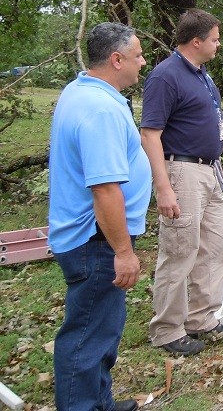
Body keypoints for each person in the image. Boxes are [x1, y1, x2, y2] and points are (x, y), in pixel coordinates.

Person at [48, 22, 151, 411]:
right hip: (97, 241)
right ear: (116, 59)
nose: (143, 62)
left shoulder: (80, 91)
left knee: (102, 326)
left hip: (94, 238)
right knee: (88, 334)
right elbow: (104, 188)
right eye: (138, 55)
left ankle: (98, 401)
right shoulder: (100, 109)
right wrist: (122, 251)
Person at [141, 8, 223, 356]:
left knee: (214, 248)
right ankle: (167, 330)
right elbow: (150, 135)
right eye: (214, 39)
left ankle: (203, 319)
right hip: (181, 172)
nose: (218, 44)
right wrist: (164, 187)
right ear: (196, 41)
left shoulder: (201, 74)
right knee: (180, 250)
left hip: (209, 171)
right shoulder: (165, 76)